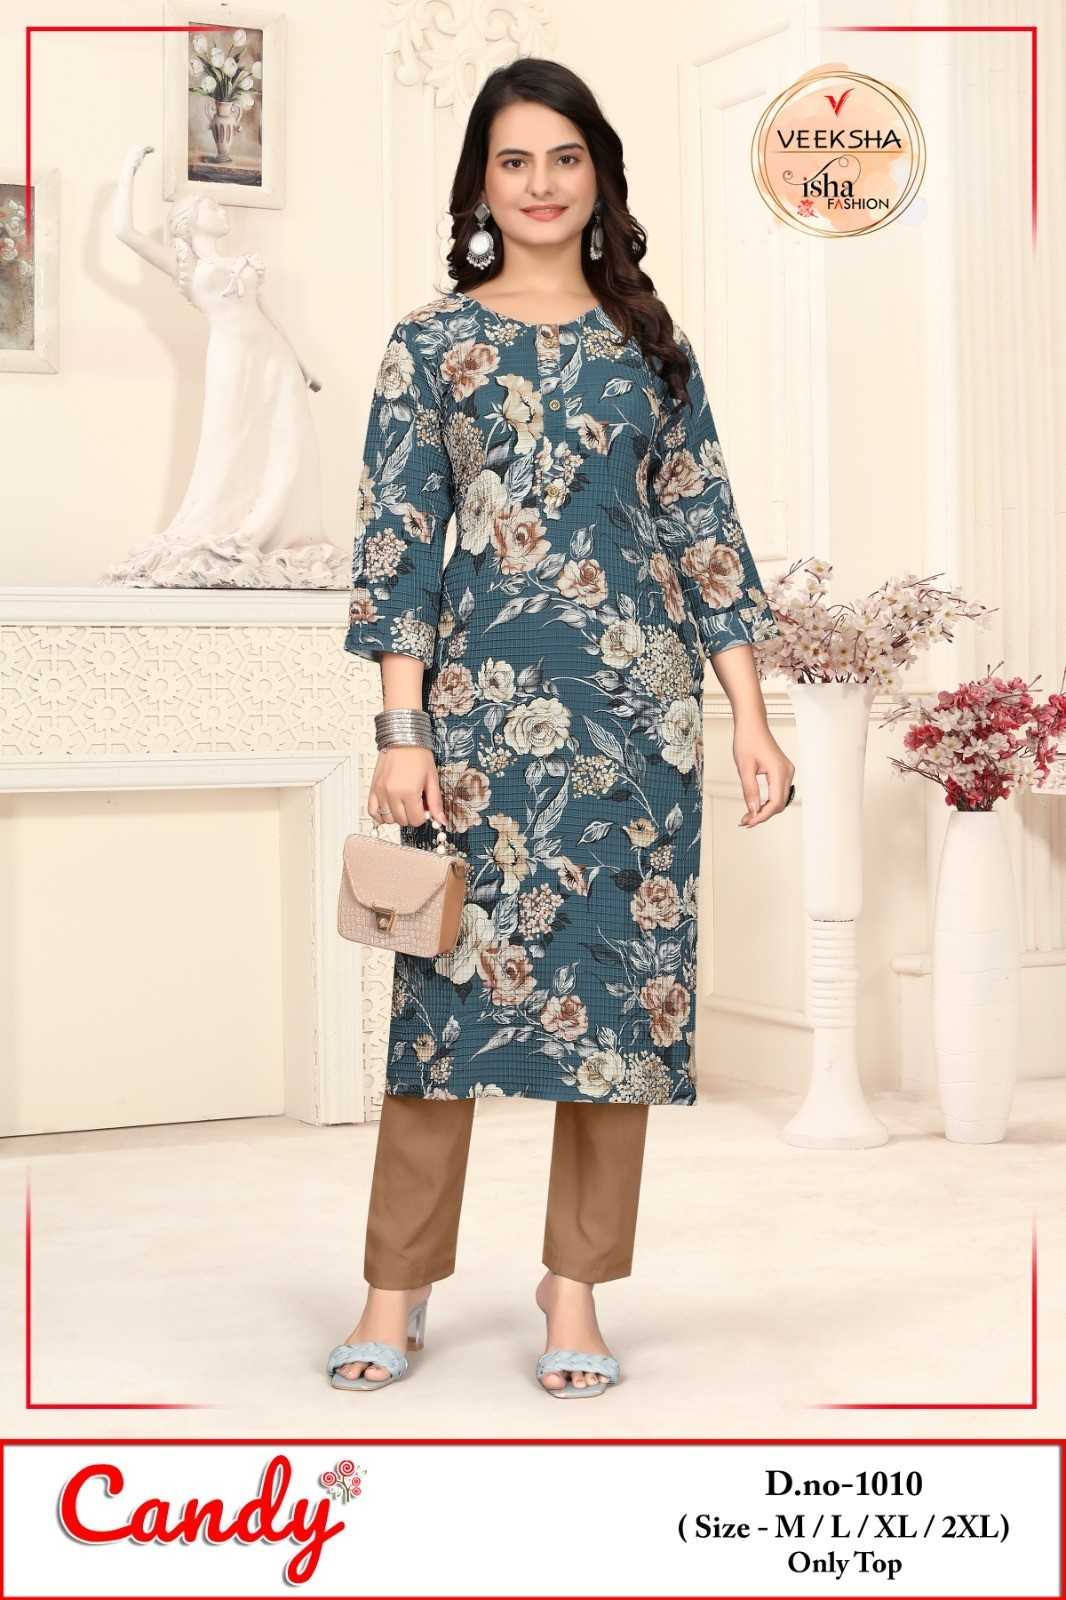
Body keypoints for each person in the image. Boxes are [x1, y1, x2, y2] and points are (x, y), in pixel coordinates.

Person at [328, 57, 794, 1398]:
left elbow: (705, 531)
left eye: (564, 158)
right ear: (480, 184)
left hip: (637, 724)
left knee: (615, 1014)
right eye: (514, 161)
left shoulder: (650, 343)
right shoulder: (430, 345)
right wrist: (401, 729)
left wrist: (750, 717)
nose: (540, 184)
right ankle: (395, 1284)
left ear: (600, 175)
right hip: (478, 724)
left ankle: (575, 1289)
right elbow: (400, 545)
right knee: (440, 1006)